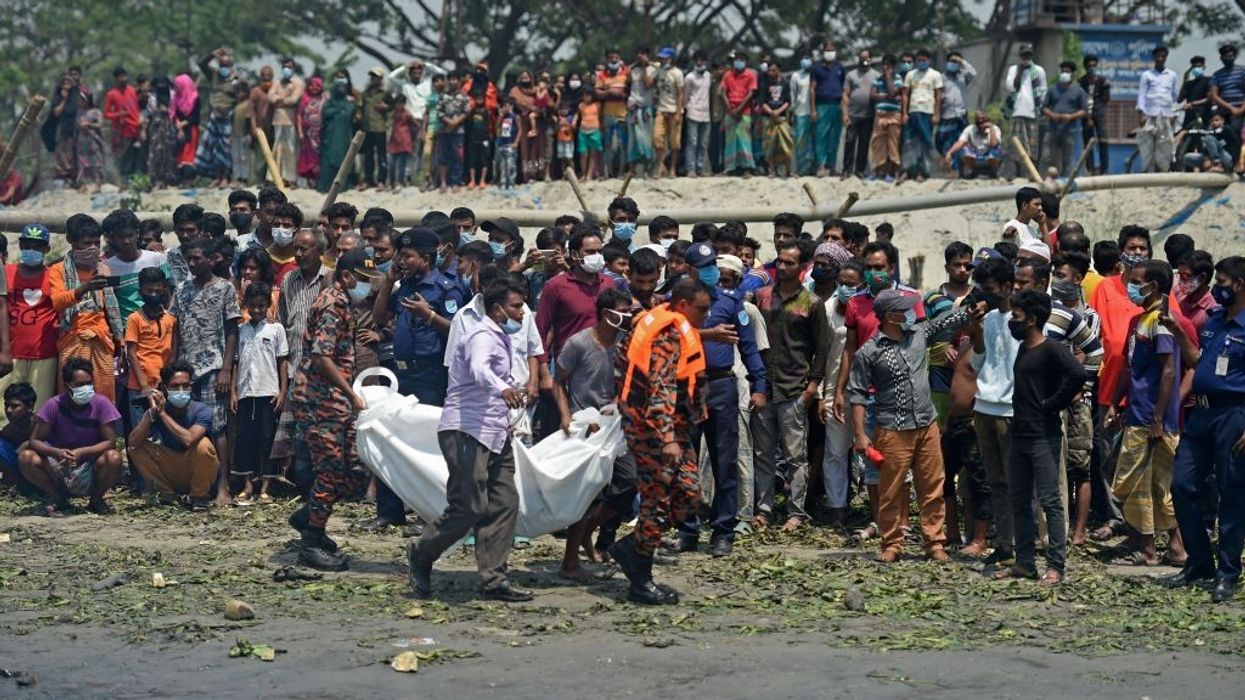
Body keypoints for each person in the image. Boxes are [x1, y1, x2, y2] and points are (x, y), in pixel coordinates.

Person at [407, 277, 534, 602]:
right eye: (516, 307)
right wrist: (503, 389)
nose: (522, 313)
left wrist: (513, 391)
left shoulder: (502, 336)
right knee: (469, 506)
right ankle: (423, 552)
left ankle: (493, 579)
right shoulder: (481, 335)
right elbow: (479, 368)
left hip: (496, 432)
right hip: (467, 430)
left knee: (505, 502)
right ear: (498, 309)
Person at [850, 290, 980, 562]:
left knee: (932, 486)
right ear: (890, 316)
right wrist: (860, 434)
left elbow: (948, 320)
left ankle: (934, 542)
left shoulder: (919, 334)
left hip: (926, 424)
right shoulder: (870, 351)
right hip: (892, 429)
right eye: (905, 310)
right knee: (891, 490)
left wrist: (973, 308)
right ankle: (891, 543)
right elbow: (858, 394)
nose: (912, 313)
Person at [609, 278, 711, 604]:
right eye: (702, 310)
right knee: (655, 501)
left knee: (690, 495)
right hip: (653, 430)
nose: (706, 316)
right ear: (683, 305)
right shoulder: (666, 334)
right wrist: (666, 438)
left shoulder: (669, 322)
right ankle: (641, 580)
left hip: (673, 429)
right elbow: (660, 388)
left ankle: (631, 547)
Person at [671, 243, 766, 556]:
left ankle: (723, 531)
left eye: (713, 264)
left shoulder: (730, 301)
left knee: (725, 461)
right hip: (687, 387)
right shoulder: (678, 303)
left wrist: (759, 384)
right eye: (704, 266)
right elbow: (669, 337)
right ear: (690, 270)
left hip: (721, 385)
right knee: (685, 462)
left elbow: (748, 346)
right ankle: (686, 530)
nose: (711, 270)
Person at [287, 249, 379, 570]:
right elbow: (321, 357)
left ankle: (308, 516)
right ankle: (311, 542)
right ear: (347, 276)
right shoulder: (333, 305)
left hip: (335, 400)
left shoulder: (343, 302)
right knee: (330, 470)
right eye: (363, 280)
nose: (367, 286)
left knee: (355, 470)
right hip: (320, 399)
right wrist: (351, 394)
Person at [369, 228, 465, 532]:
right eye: (400, 255)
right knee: (392, 439)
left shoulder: (447, 288)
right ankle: (389, 511)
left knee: (429, 444)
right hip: (401, 373)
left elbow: (459, 332)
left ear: (425, 258)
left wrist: (429, 316)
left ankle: (429, 513)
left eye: (407, 256)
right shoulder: (404, 286)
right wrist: (388, 282)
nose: (401, 261)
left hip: (431, 374)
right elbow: (379, 318)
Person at [1163, 255, 1245, 602]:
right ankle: (1199, 562)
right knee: (1182, 484)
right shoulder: (1214, 319)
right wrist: (1179, 333)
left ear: (1239, 285)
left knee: (1232, 494)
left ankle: (1227, 572)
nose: (1216, 288)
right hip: (1202, 414)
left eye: (1222, 282)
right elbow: (1199, 361)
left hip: (1234, 415)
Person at [992, 290, 1085, 585]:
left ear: (1031, 319)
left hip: (1043, 435)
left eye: (1017, 316)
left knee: (1050, 501)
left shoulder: (1052, 349)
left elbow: (1078, 374)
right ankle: (1025, 563)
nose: (1013, 321)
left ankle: (1056, 565)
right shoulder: (1024, 348)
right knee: (1019, 500)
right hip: (1020, 433)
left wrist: (1053, 404)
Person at [1103, 260, 1187, 567]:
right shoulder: (1141, 320)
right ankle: (1173, 547)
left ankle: (1150, 549)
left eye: (1137, 282)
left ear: (1153, 286)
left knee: (1143, 484)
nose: (1131, 286)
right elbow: (1130, 369)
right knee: (1145, 485)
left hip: (1152, 419)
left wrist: (1158, 419)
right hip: (1138, 413)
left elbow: (1169, 372)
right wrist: (1115, 402)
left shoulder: (1160, 322)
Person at [553, 288, 635, 581]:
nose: (627, 317)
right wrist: (566, 416)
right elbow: (559, 382)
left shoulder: (626, 344)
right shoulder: (579, 343)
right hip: (585, 427)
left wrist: (613, 408)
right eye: (622, 311)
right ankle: (570, 562)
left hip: (615, 426)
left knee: (629, 482)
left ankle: (589, 530)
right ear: (606, 313)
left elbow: (626, 384)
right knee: (584, 495)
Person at [752, 242, 829, 530]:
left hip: (794, 388)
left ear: (802, 267)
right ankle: (764, 510)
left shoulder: (810, 303)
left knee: (796, 456)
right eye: (780, 261)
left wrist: (812, 388)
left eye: (789, 263)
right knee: (763, 455)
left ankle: (796, 512)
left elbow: (822, 348)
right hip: (764, 387)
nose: (782, 267)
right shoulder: (762, 297)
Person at [170, 239, 240, 506]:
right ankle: (197, 484)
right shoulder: (181, 289)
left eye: (197, 258)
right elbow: (176, 329)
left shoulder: (225, 289)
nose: (192, 263)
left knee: (218, 427)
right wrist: (173, 365)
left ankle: (223, 486)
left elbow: (232, 330)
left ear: (211, 260)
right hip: (186, 370)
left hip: (213, 367)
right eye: (189, 258)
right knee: (190, 426)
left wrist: (226, 368)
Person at [967, 256, 1021, 570]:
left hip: (1010, 409)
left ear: (1007, 286)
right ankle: (1004, 544)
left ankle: (1021, 543)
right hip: (984, 405)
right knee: (995, 481)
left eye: (989, 289)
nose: (984, 295)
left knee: (1015, 481)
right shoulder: (988, 320)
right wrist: (975, 331)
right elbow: (978, 362)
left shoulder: (1023, 319)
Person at [19, 358, 124, 516]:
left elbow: (110, 441)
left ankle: (96, 500)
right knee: (26, 457)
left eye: (89, 383)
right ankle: (58, 498)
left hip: (89, 465)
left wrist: (82, 452)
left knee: (114, 458)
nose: (86, 388)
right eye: (80, 384)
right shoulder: (54, 405)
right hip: (58, 463)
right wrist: (57, 452)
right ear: (68, 385)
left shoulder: (102, 403)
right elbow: (34, 440)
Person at [127, 361, 219, 511]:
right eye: (175, 386)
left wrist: (163, 414)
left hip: (195, 467)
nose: (181, 391)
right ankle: (167, 494)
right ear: (164, 388)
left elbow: (189, 440)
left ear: (191, 387)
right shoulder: (157, 409)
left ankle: (199, 496)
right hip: (170, 467)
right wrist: (151, 413)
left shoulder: (202, 410)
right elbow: (132, 443)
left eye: (185, 386)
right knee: (136, 448)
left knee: (204, 445)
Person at [3, 224, 58, 411]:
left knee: (39, 409)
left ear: (46, 249)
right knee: (6, 409)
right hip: (11, 355)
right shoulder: (6, 272)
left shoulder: (54, 277)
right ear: (20, 246)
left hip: (44, 355)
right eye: (27, 245)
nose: (31, 250)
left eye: (37, 246)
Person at [195, 48, 238, 187]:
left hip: (227, 117)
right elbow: (201, 64)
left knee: (225, 149)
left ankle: (226, 177)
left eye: (226, 65)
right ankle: (217, 177)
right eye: (222, 65)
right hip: (214, 116)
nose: (224, 68)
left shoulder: (235, 79)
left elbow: (239, 97)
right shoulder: (213, 74)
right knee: (213, 148)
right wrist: (212, 54)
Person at [1004, 44, 1047, 179]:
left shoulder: (1039, 70)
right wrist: (1020, 71)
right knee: (1016, 145)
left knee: (1033, 145)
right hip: (1017, 111)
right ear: (1020, 55)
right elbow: (1010, 87)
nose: (1026, 57)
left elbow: (1043, 90)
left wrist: (1041, 109)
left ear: (1032, 55)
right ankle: (1015, 173)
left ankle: (1032, 174)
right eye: (1024, 55)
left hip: (1033, 113)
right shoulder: (1013, 69)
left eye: (1028, 54)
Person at [1134, 46, 1179, 174]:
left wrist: (1173, 113)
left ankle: (1162, 172)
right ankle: (1145, 172)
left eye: (1162, 56)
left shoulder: (1172, 75)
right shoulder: (1147, 75)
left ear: (1166, 58)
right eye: (1158, 56)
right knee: (1147, 145)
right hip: (1149, 115)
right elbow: (1141, 95)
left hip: (1166, 115)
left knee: (1164, 146)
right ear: (1154, 58)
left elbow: (1175, 96)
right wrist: (1141, 114)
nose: (1160, 59)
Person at [901, 48, 942, 182]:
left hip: (927, 112)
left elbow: (938, 95)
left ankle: (923, 172)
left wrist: (936, 114)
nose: (921, 62)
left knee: (925, 141)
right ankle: (907, 170)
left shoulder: (935, 75)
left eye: (924, 60)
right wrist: (905, 113)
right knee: (910, 141)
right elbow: (905, 94)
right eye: (919, 60)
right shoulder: (911, 75)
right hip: (913, 111)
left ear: (929, 61)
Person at [1042, 62, 1088, 176]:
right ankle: (1051, 179)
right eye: (1063, 72)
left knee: (1067, 158)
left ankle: (1066, 180)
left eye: (1067, 72)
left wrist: (1071, 116)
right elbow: (1044, 107)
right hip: (1053, 129)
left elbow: (1084, 110)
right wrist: (1052, 115)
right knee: (1051, 157)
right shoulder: (1053, 89)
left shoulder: (1079, 91)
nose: (1064, 74)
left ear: (1072, 74)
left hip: (1069, 130)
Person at [810, 40, 847, 175]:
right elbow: (812, 89)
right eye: (828, 50)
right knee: (821, 136)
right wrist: (813, 110)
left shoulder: (840, 68)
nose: (830, 53)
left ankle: (831, 167)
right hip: (821, 106)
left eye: (832, 50)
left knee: (834, 137)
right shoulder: (816, 68)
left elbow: (844, 90)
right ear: (823, 51)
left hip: (836, 105)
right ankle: (821, 165)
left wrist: (844, 111)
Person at [841, 48, 879, 178]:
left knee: (864, 144)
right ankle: (846, 170)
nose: (864, 60)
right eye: (862, 58)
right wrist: (845, 114)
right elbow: (846, 95)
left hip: (868, 115)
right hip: (853, 114)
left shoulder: (876, 75)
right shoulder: (851, 75)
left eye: (866, 58)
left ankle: (860, 170)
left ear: (871, 59)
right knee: (850, 142)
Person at [316, 70, 356, 193]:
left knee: (343, 159)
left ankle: (343, 186)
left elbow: (350, 115)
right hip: (330, 137)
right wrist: (337, 110)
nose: (340, 89)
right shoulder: (329, 103)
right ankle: (325, 186)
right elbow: (325, 114)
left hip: (343, 138)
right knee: (328, 160)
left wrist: (339, 110)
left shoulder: (350, 104)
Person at [267, 58, 304, 186]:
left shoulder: (298, 82)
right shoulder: (277, 82)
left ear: (294, 68)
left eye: (289, 67)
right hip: (277, 119)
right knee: (276, 149)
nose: (286, 69)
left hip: (290, 120)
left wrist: (279, 100)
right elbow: (270, 97)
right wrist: (284, 99)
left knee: (290, 149)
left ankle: (291, 178)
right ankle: (274, 177)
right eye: (284, 67)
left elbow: (294, 99)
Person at [721, 53, 758, 176]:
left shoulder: (750, 75)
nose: (739, 61)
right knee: (730, 140)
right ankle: (730, 167)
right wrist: (730, 109)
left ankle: (747, 167)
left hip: (744, 111)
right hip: (730, 111)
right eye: (737, 59)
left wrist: (739, 108)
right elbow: (723, 92)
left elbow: (750, 93)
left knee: (744, 140)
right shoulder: (728, 75)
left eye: (742, 59)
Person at [103, 67, 143, 180]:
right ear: (116, 79)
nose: (123, 79)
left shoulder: (132, 91)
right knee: (125, 157)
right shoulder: (111, 94)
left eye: (124, 76)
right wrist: (118, 114)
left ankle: (136, 180)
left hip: (136, 129)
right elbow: (106, 114)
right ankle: (124, 180)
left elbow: (138, 108)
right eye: (120, 77)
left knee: (137, 156)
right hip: (123, 131)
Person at [938, 52, 976, 169]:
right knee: (945, 142)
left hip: (961, 115)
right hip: (947, 115)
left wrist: (961, 61)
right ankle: (950, 168)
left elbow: (973, 73)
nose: (953, 64)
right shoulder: (942, 77)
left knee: (962, 142)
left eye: (955, 62)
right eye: (951, 61)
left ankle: (961, 168)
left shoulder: (963, 77)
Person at [869, 54, 904, 181]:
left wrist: (888, 78)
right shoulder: (878, 79)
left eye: (888, 65)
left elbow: (893, 92)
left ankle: (892, 172)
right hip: (880, 114)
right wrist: (885, 96)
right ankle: (878, 171)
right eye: (884, 64)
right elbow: (873, 94)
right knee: (878, 143)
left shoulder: (898, 79)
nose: (885, 67)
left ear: (893, 66)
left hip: (894, 115)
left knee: (893, 144)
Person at [653, 47, 685, 178]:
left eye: (665, 58)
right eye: (661, 58)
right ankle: (660, 166)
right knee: (657, 139)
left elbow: (680, 93)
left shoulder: (677, 73)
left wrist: (678, 112)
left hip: (674, 110)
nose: (662, 60)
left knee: (674, 143)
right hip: (661, 109)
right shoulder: (659, 70)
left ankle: (672, 169)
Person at [0, 383, 37, 492]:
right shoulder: (8, 430)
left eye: (14, 406)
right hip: (18, 471)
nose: (8, 410)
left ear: (29, 407)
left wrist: (27, 444)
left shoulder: (41, 424)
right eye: (6, 405)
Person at [1079, 54, 1112, 175]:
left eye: (1094, 65)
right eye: (1089, 66)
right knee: (1088, 143)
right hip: (1086, 116)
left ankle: (1104, 170)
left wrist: (1097, 110)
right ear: (1085, 67)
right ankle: (1090, 170)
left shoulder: (1103, 81)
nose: (1092, 68)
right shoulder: (1081, 82)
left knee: (1103, 141)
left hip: (1100, 114)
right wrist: (1088, 116)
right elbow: (1080, 100)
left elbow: (1106, 98)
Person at [436, 72, 469, 193]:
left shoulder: (464, 96)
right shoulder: (442, 96)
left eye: (455, 79)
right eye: (450, 79)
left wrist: (456, 122)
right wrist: (449, 122)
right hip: (444, 131)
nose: (452, 82)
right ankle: (443, 182)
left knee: (458, 157)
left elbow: (466, 112)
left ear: (459, 82)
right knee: (442, 157)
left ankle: (456, 182)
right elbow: (439, 112)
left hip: (458, 131)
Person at [359, 67, 391, 190]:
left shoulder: (385, 93)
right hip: (368, 128)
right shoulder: (365, 93)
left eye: (376, 77)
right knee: (368, 154)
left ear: (381, 78)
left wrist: (386, 107)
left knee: (381, 155)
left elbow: (393, 106)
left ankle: (382, 180)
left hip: (380, 127)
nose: (373, 79)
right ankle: (368, 179)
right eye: (372, 76)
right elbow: (362, 108)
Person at [759, 63, 793, 178]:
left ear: (778, 70)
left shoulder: (785, 82)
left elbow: (788, 101)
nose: (772, 72)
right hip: (768, 118)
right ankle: (772, 170)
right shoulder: (764, 83)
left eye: (774, 70)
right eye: (769, 70)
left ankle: (789, 171)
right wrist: (771, 113)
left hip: (782, 118)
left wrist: (778, 111)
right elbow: (762, 102)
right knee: (770, 145)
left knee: (785, 144)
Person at [944, 112, 1002, 178]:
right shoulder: (970, 129)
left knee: (997, 149)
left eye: (983, 119)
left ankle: (993, 172)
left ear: (987, 120)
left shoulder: (995, 129)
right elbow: (961, 142)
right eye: (978, 119)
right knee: (963, 149)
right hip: (975, 156)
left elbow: (994, 144)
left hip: (990, 157)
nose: (980, 120)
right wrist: (950, 152)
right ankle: (973, 172)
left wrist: (991, 128)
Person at [683, 52, 713, 177]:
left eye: (702, 60)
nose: (699, 63)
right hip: (693, 112)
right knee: (692, 142)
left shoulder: (709, 76)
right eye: (697, 60)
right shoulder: (689, 77)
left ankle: (700, 168)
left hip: (706, 113)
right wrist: (688, 108)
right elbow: (685, 96)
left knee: (703, 143)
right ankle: (691, 168)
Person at [1177, 251, 1218, 335]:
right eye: (1179, 276)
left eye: (1185, 276)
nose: (1180, 281)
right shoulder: (1181, 299)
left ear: (1202, 277)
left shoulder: (1210, 313)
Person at [1210, 43, 1245, 139]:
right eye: (1226, 57)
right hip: (1225, 110)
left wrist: (1241, 109)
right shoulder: (1217, 75)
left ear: (1234, 57)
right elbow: (1214, 95)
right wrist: (1231, 108)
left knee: (1236, 131)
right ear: (1221, 58)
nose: (1228, 59)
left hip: (1240, 108)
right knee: (1220, 134)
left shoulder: (1242, 71)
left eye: (1230, 56)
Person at [170, 74, 200, 185]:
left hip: (191, 128)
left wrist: (183, 124)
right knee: (180, 155)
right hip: (179, 129)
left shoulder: (195, 97)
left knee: (189, 154)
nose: (176, 89)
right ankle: (180, 179)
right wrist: (179, 126)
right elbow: (175, 114)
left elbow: (195, 116)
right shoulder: (176, 98)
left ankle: (189, 180)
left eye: (178, 86)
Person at [297, 76, 326, 188]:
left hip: (319, 134)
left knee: (318, 158)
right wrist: (300, 132)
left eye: (317, 85)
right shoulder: (305, 99)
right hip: (307, 135)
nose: (314, 88)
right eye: (312, 85)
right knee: (307, 158)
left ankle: (317, 180)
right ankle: (308, 180)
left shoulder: (324, 99)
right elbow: (299, 116)